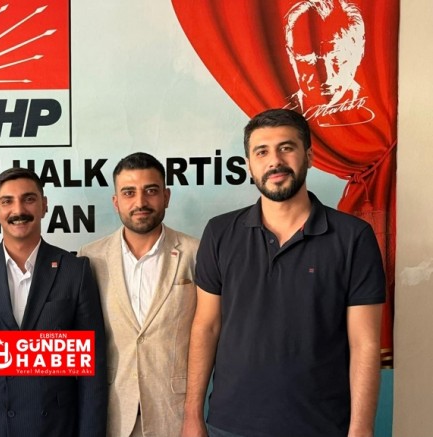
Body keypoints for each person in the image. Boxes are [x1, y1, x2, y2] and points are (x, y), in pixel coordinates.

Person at [181, 108, 385, 437]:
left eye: (286, 148)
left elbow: (365, 342)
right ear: (249, 165)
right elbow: (206, 326)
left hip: (322, 427)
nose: (274, 161)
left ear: (309, 157)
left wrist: (361, 429)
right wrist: (192, 416)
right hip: (229, 426)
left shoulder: (353, 237)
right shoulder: (219, 233)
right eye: (261, 152)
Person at [0, 167, 108, 437]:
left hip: (55, 428)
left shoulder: (75, 271)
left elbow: (92, 371)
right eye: (7, 201)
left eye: (29, 199)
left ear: (44, 205)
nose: (18, 210)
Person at [78, 152, 199, 437]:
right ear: (116, 201)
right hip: (113, 413)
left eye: (151, 191)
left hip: (175, 414)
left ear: (166, 197)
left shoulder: (196, 252)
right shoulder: (90, 257)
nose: (140, 202)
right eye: (129, 193)